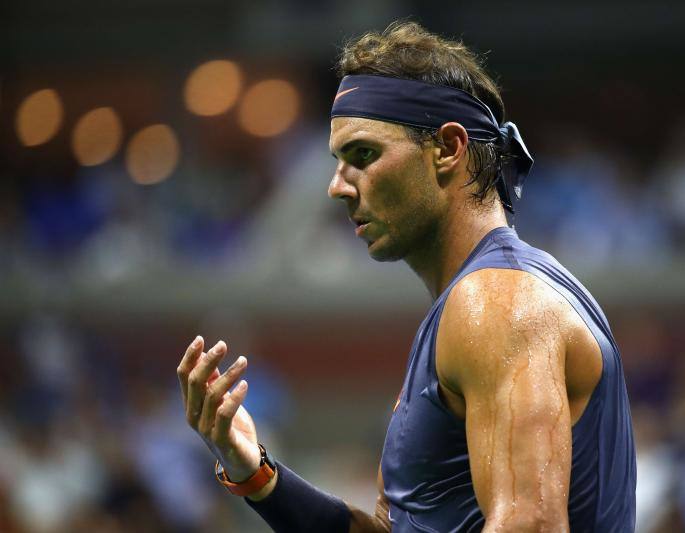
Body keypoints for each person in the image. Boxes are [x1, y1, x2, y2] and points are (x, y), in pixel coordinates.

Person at [177, 21, 636, 532]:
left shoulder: (498, 302)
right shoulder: (473, 306)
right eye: (338, 161)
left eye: (364, 155)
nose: (337, 187)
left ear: (447, 149)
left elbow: (530, 525)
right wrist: (257, 475)